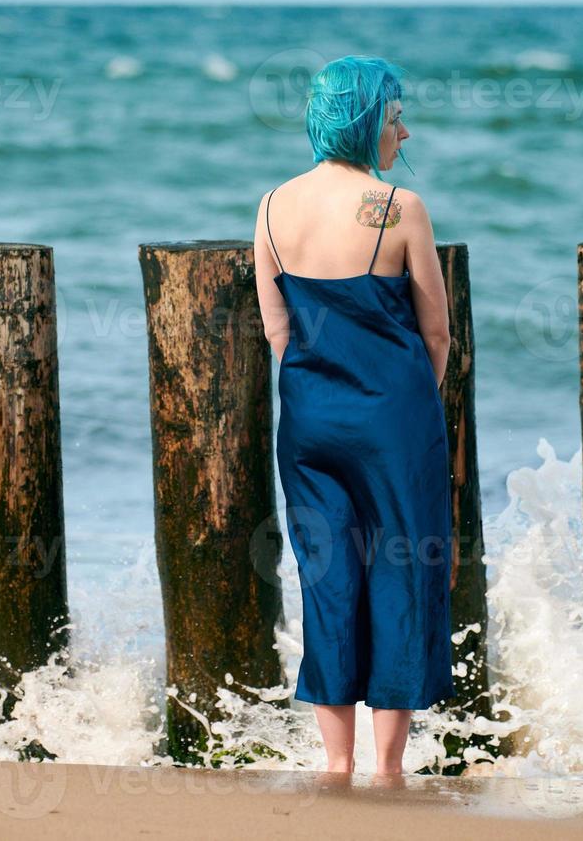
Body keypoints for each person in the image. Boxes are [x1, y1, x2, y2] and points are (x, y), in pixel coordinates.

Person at [252, 55, 456, 776]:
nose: (404, 129)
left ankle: (335, 765)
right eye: (396, 115)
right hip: (392, 420)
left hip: (309, 421)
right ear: (369, 119)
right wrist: (410, 407)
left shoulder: (273, 205)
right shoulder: (398, 208)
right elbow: (437, 332)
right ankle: (389, 767)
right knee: (402, 569)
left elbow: (278, 331)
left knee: (328, 575)